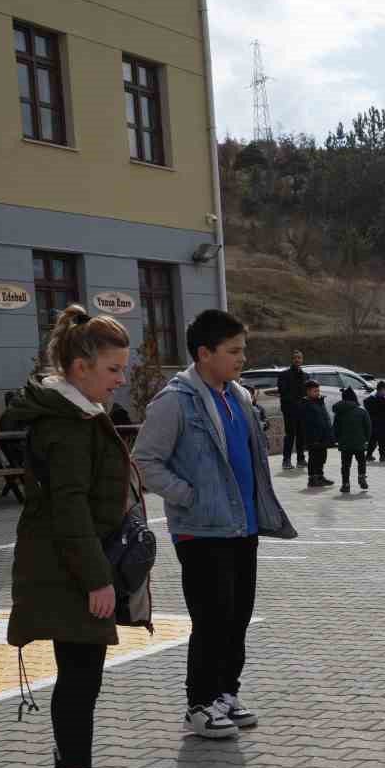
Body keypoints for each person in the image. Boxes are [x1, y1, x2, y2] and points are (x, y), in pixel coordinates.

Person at [5, 305, 144, 768]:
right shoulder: (66, 425)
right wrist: (97, 579)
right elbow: (69, 509)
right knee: (80, 680)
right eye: (112, 369)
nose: (120, 379)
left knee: (79, 675)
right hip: (70, 569)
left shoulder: (78, 411)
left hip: (72, 562)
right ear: (80, 367)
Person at [132, 308, 296, 741]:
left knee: (237, 615)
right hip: (201, 531)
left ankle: (226, 692)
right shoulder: (175, 401)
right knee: (212, 617)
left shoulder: (237, 396)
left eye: (243, 350)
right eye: (233, 351)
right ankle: (199, 703)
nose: (242, 359)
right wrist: (189, 495)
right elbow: (145, 460)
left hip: (242, 527)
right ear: (204, 353)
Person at [333, 386, 371, 494]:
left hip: (345, 444)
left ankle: (345, 484)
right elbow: (368, 427)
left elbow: (336, 428)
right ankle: (362, 477)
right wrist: (366, 439)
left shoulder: (339, 412)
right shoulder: (361, 411)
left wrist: (337, 439)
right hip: (359, 443)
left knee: (345, 465)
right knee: (361, 462)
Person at [300, 379, 336, 487]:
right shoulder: (305, 404)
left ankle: (320, 476)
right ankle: (312, 478)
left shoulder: (320, 402)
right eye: (315, 391)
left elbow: (325, 418)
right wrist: (313, 437)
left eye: (318, 390)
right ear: (308, 392)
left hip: (323, 436)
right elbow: (307, 423)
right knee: (314, 457)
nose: (317, 393)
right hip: (313, 437)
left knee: (322, 457)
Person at [276, 349, 307, 470]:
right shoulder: (284, 375)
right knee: (290, 435)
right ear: (292, 360)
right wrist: (295, 402)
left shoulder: (305, 376)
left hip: (302, 410)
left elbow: (306, 393)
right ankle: (286, 460)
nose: (297, 360)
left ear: (302, 360)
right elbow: (283, 392)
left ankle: (301, 459)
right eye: (295, 358)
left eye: (299, 358)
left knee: (301, 435)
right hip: (290, 410)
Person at [364, 380, 385, 464]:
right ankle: (382, 456)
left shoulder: (372, 399)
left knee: (372, 440)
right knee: (382, 441)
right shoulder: (380, 399)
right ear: (381, 389)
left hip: (373, 423)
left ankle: (369, 455)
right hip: (380, 423)